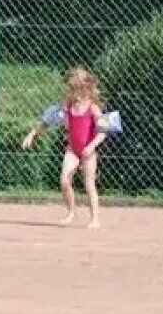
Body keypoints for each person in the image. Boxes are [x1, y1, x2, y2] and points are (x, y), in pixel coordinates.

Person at [20, 66, 107, 229]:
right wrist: (31, 135)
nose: (72, 93)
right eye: (71, 88)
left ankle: (95, 219)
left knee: (89, 184)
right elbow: (46, 120)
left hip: (88, 152)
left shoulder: (93, 107)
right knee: (64, 180)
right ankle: (71, 212)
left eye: (75, 88)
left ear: (85, 87)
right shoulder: (67, 106)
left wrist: (91, 146)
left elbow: (103, 132)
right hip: (72, 150)